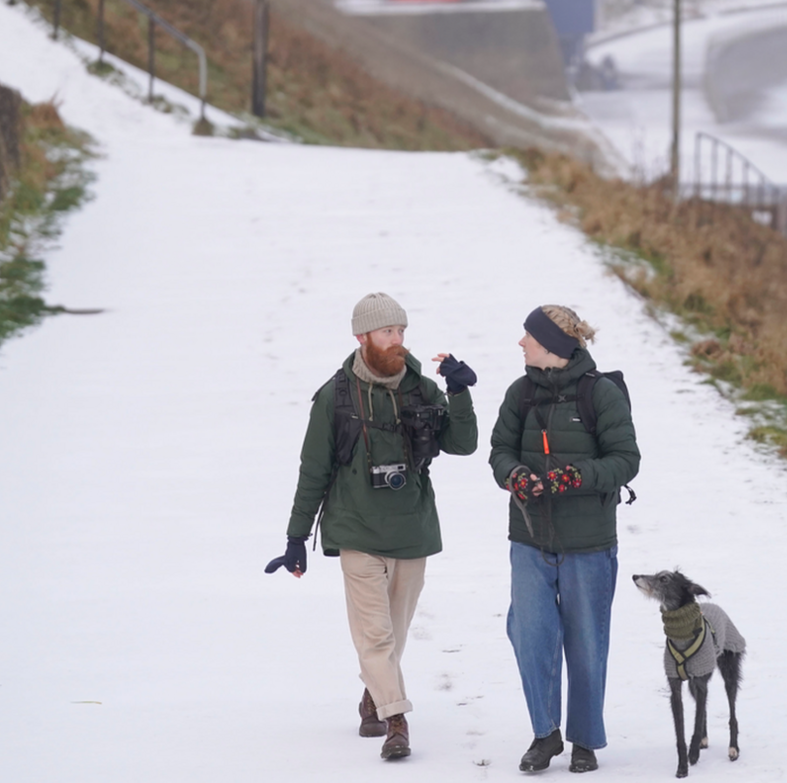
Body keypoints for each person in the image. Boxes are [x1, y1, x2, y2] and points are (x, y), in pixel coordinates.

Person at [265, 292, 478, 760]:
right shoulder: (335, 397)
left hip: (412, 530)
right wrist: (296, 538)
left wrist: (459, 393)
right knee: (375, 634)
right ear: (362, 337)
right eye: (387, 332)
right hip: (356, 530)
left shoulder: (422, 388)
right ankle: (396, 720)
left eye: (402, 331)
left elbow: (463, 445)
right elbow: (313, 469)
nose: (397, 341)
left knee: (394, 632)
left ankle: (373, 695)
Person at [488, 305, 640, 774]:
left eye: (528, 337)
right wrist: (515, 475)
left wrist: (571, 476)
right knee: (529, 634)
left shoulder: (603, 395)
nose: (521, 344)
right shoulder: (520, 393)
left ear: (552, 344)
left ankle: (585, 742)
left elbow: (625, 461)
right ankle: (545, 733)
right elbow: (499, 451)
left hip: (589, 543)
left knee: (587, 642)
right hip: (530, 538)